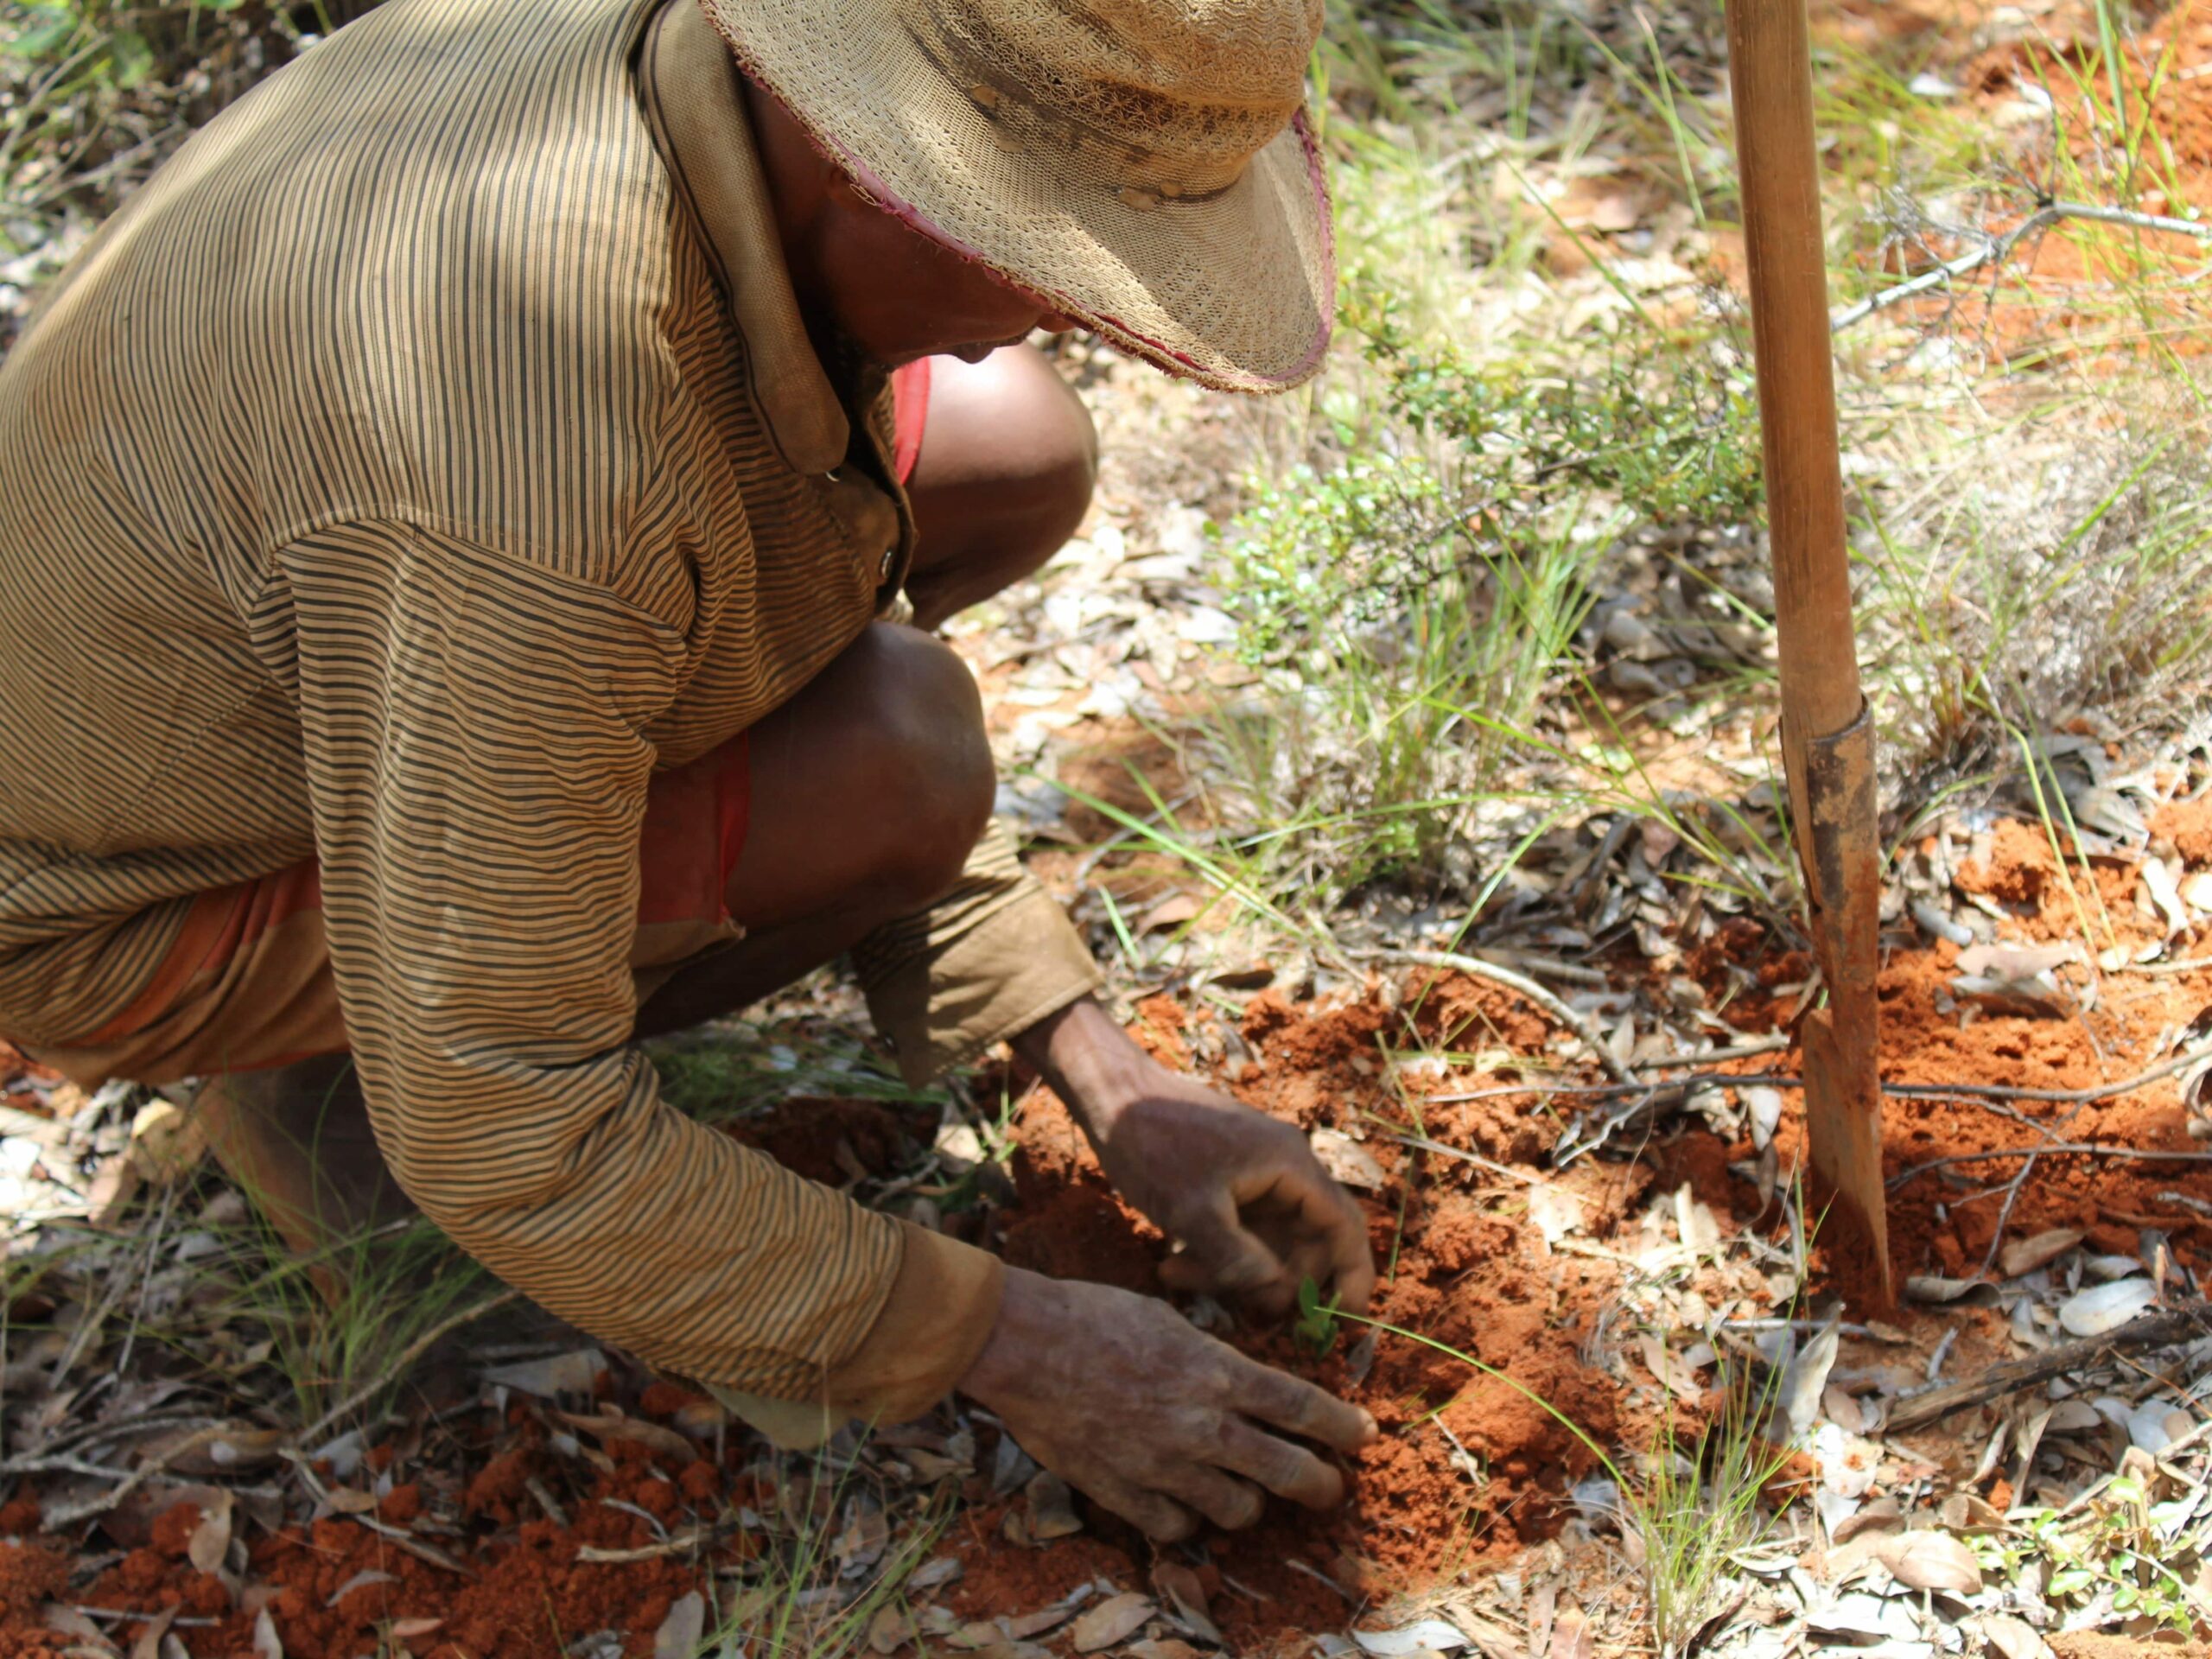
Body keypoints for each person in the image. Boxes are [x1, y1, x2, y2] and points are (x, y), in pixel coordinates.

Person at [0, 0, 1377, 1541]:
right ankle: (322, 1083)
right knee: (896, 763)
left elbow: (767, 540)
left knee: (1011, 440)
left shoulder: (692, 71)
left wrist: (1109, 1082)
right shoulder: (526, 465)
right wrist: (1006, 1337)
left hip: (332, 642)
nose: (1049, 318)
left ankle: (446, 912)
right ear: (874, 162)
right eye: (1044, 257)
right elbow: (500, 1115)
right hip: (114, 897)